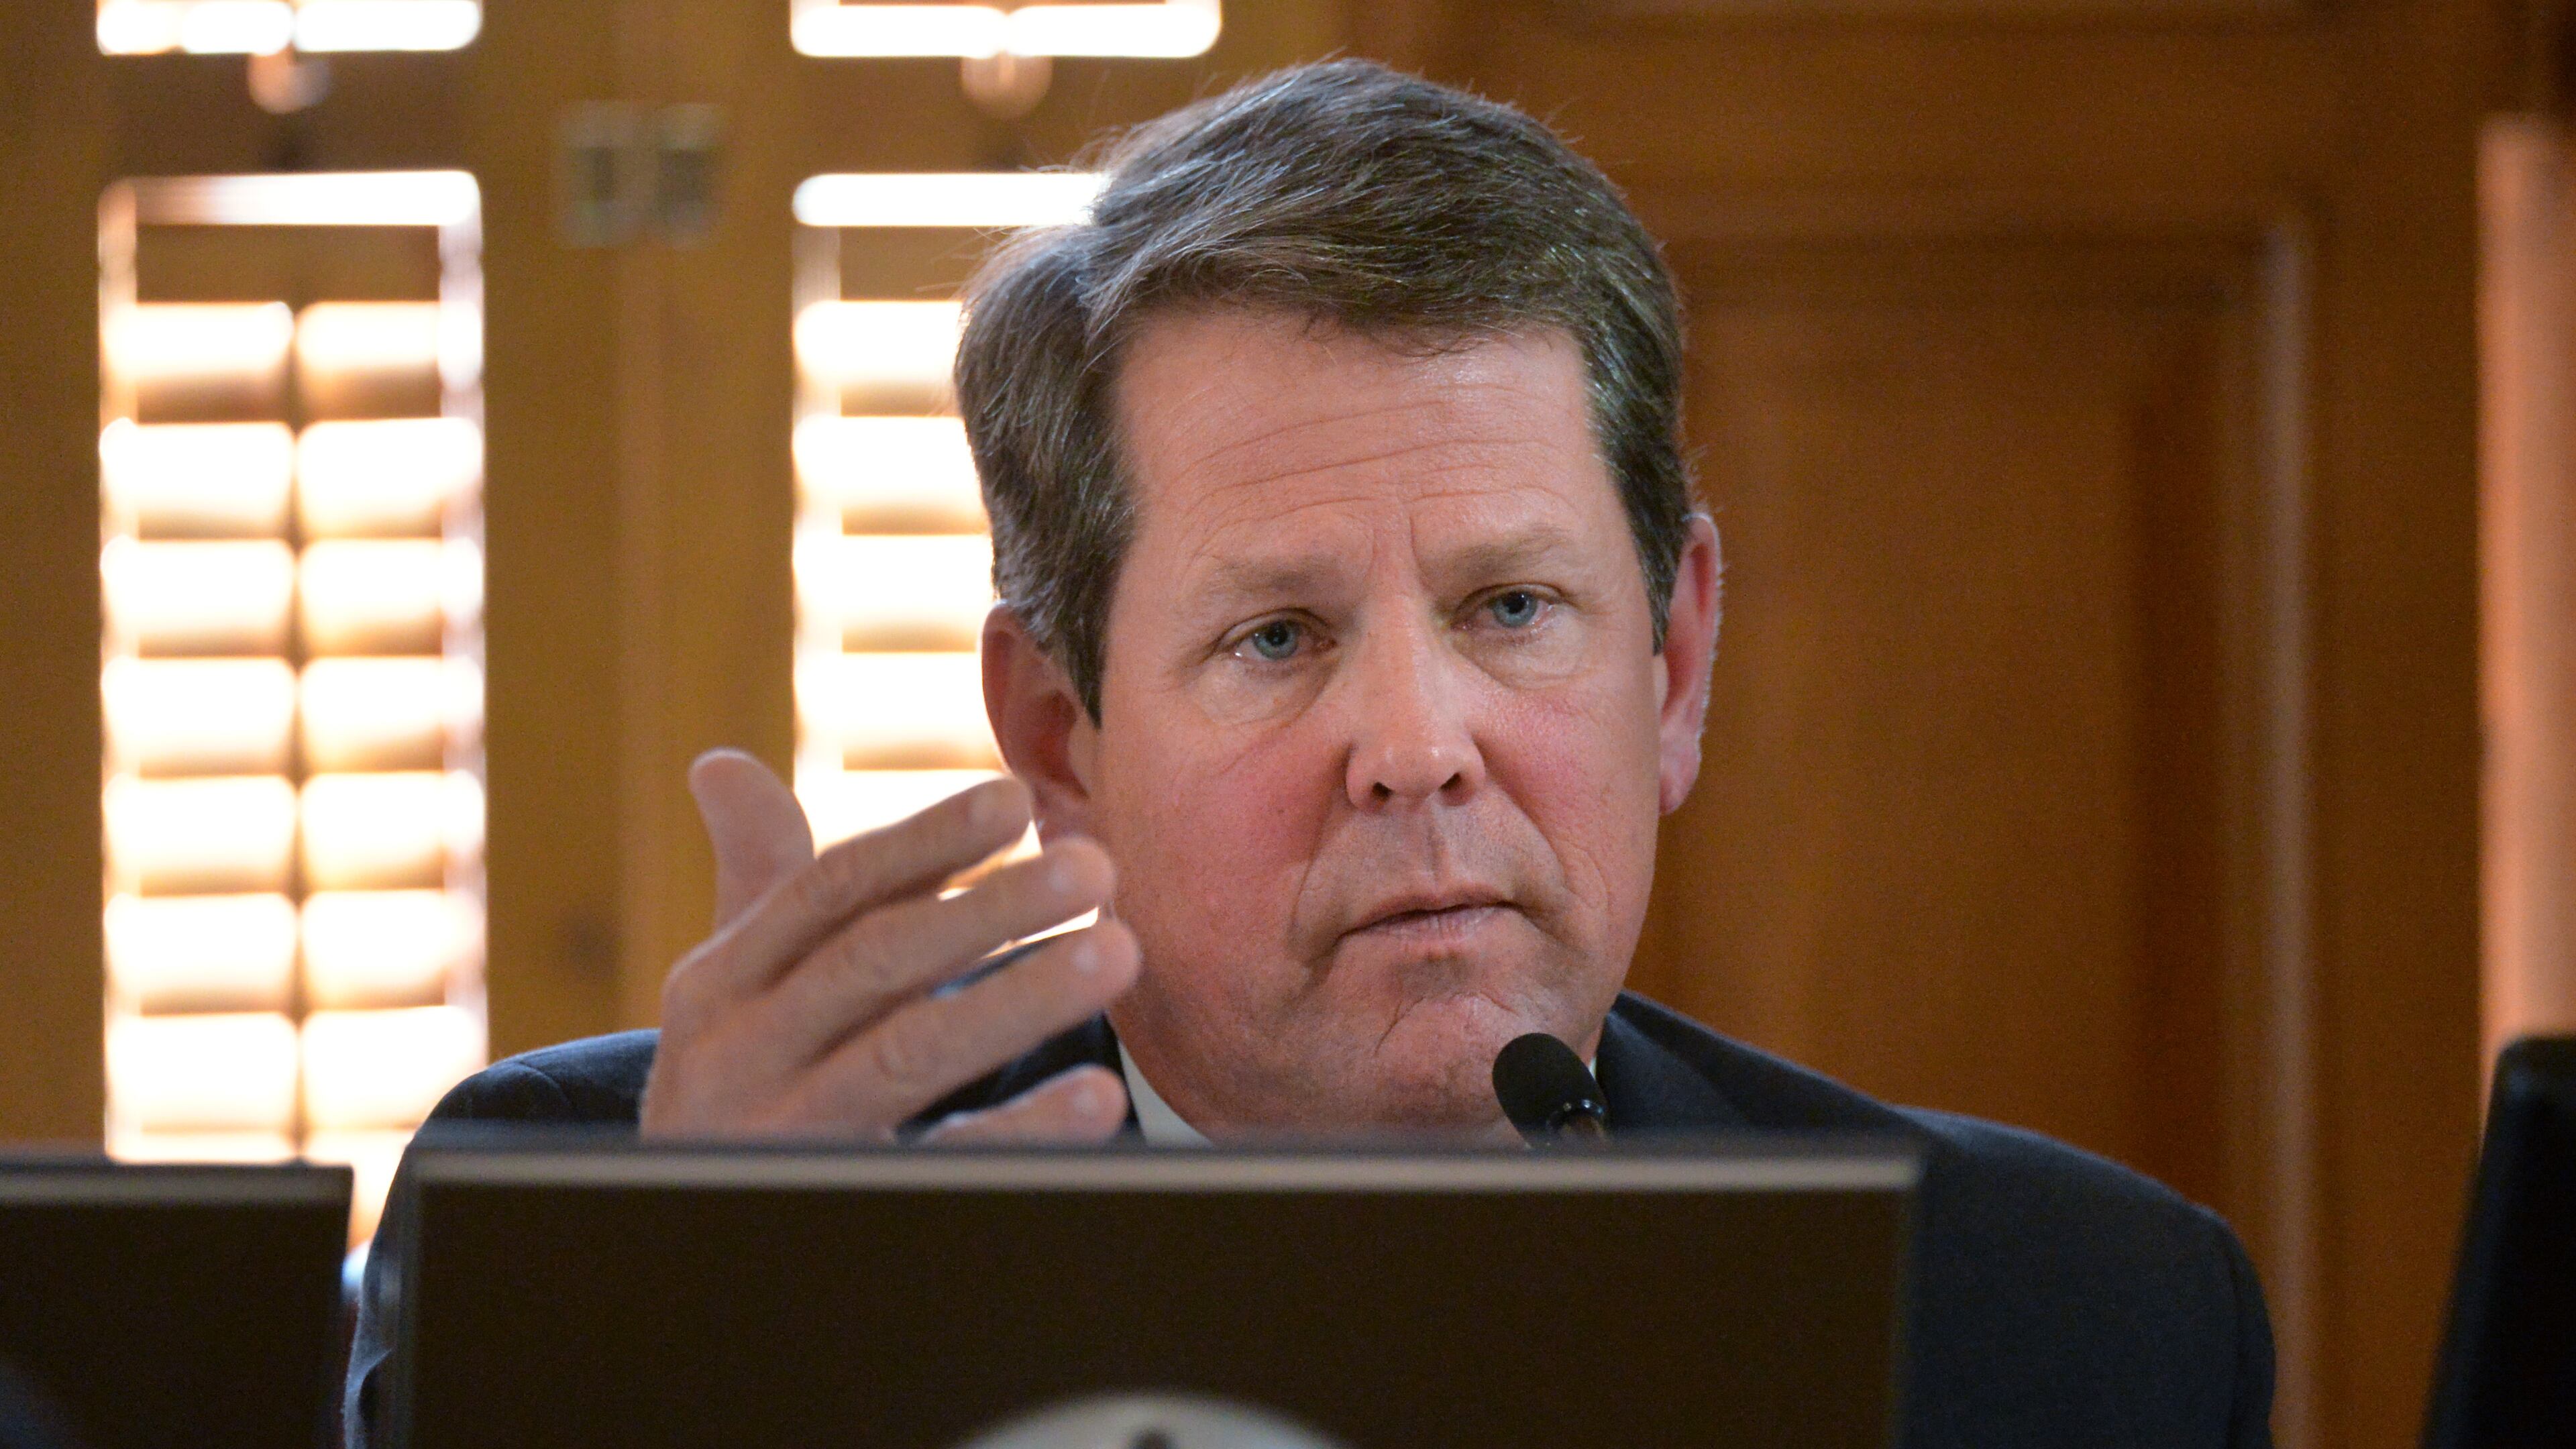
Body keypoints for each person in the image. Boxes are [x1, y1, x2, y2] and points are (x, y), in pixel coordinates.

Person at [345, 60, 2273, 1447]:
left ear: (1675, 663)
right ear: (1059, 739)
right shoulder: (593, 1231)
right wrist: (685, 1387)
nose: (1419, 750)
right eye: (1279, 639)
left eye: (1515, 610)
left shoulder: (2066, 1327)